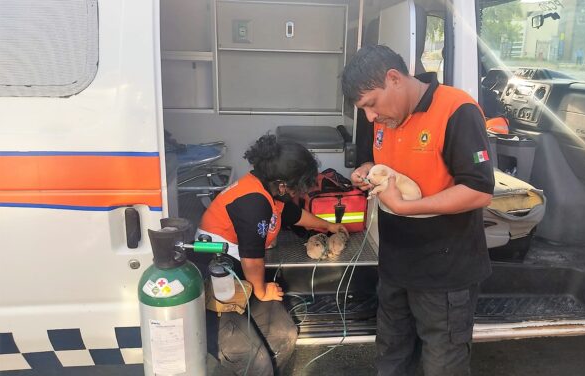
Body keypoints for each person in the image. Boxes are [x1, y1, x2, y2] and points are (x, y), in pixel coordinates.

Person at [342, 45, 495, 376]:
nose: (369, 117)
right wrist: (367, 170)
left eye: (370, 105)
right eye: (363, 110)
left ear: (394, 78)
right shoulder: (383, 116)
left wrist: (406, 206)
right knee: (392, 355)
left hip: (445, 270)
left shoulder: (456, 110)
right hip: (396, 263)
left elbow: (479, 190)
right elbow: (379, 161)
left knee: (442, 364)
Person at [189, 134, 347, 376]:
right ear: (283, 184)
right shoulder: (254, 202)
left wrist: (327, 226)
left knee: (284, 335)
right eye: (297, 187)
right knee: (256, 359)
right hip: (217, 288)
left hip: (241, 279)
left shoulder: (266, 189)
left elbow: (293, 214)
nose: (297, 193)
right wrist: (262, 291)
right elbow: (252, 259)